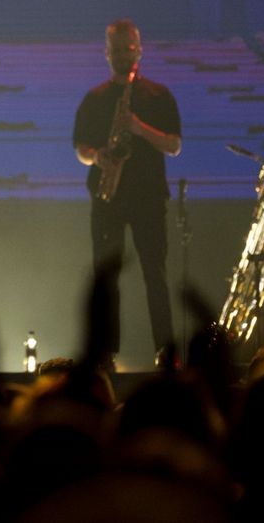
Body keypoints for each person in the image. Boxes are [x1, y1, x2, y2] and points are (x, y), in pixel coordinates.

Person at [72, 19, 182, 364]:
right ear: (106, 54)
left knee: (155, 274)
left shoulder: (159, 95)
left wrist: (137, 126)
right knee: (106, 278)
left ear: (139, 50)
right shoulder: (94, 99)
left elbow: (174, 145)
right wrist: (97, 157)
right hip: (108, 196)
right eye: (116, 49)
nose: (122, 54)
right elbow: (80, 148)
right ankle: (106, 353)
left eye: (128, 48)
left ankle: (165, 350)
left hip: (148, 196)